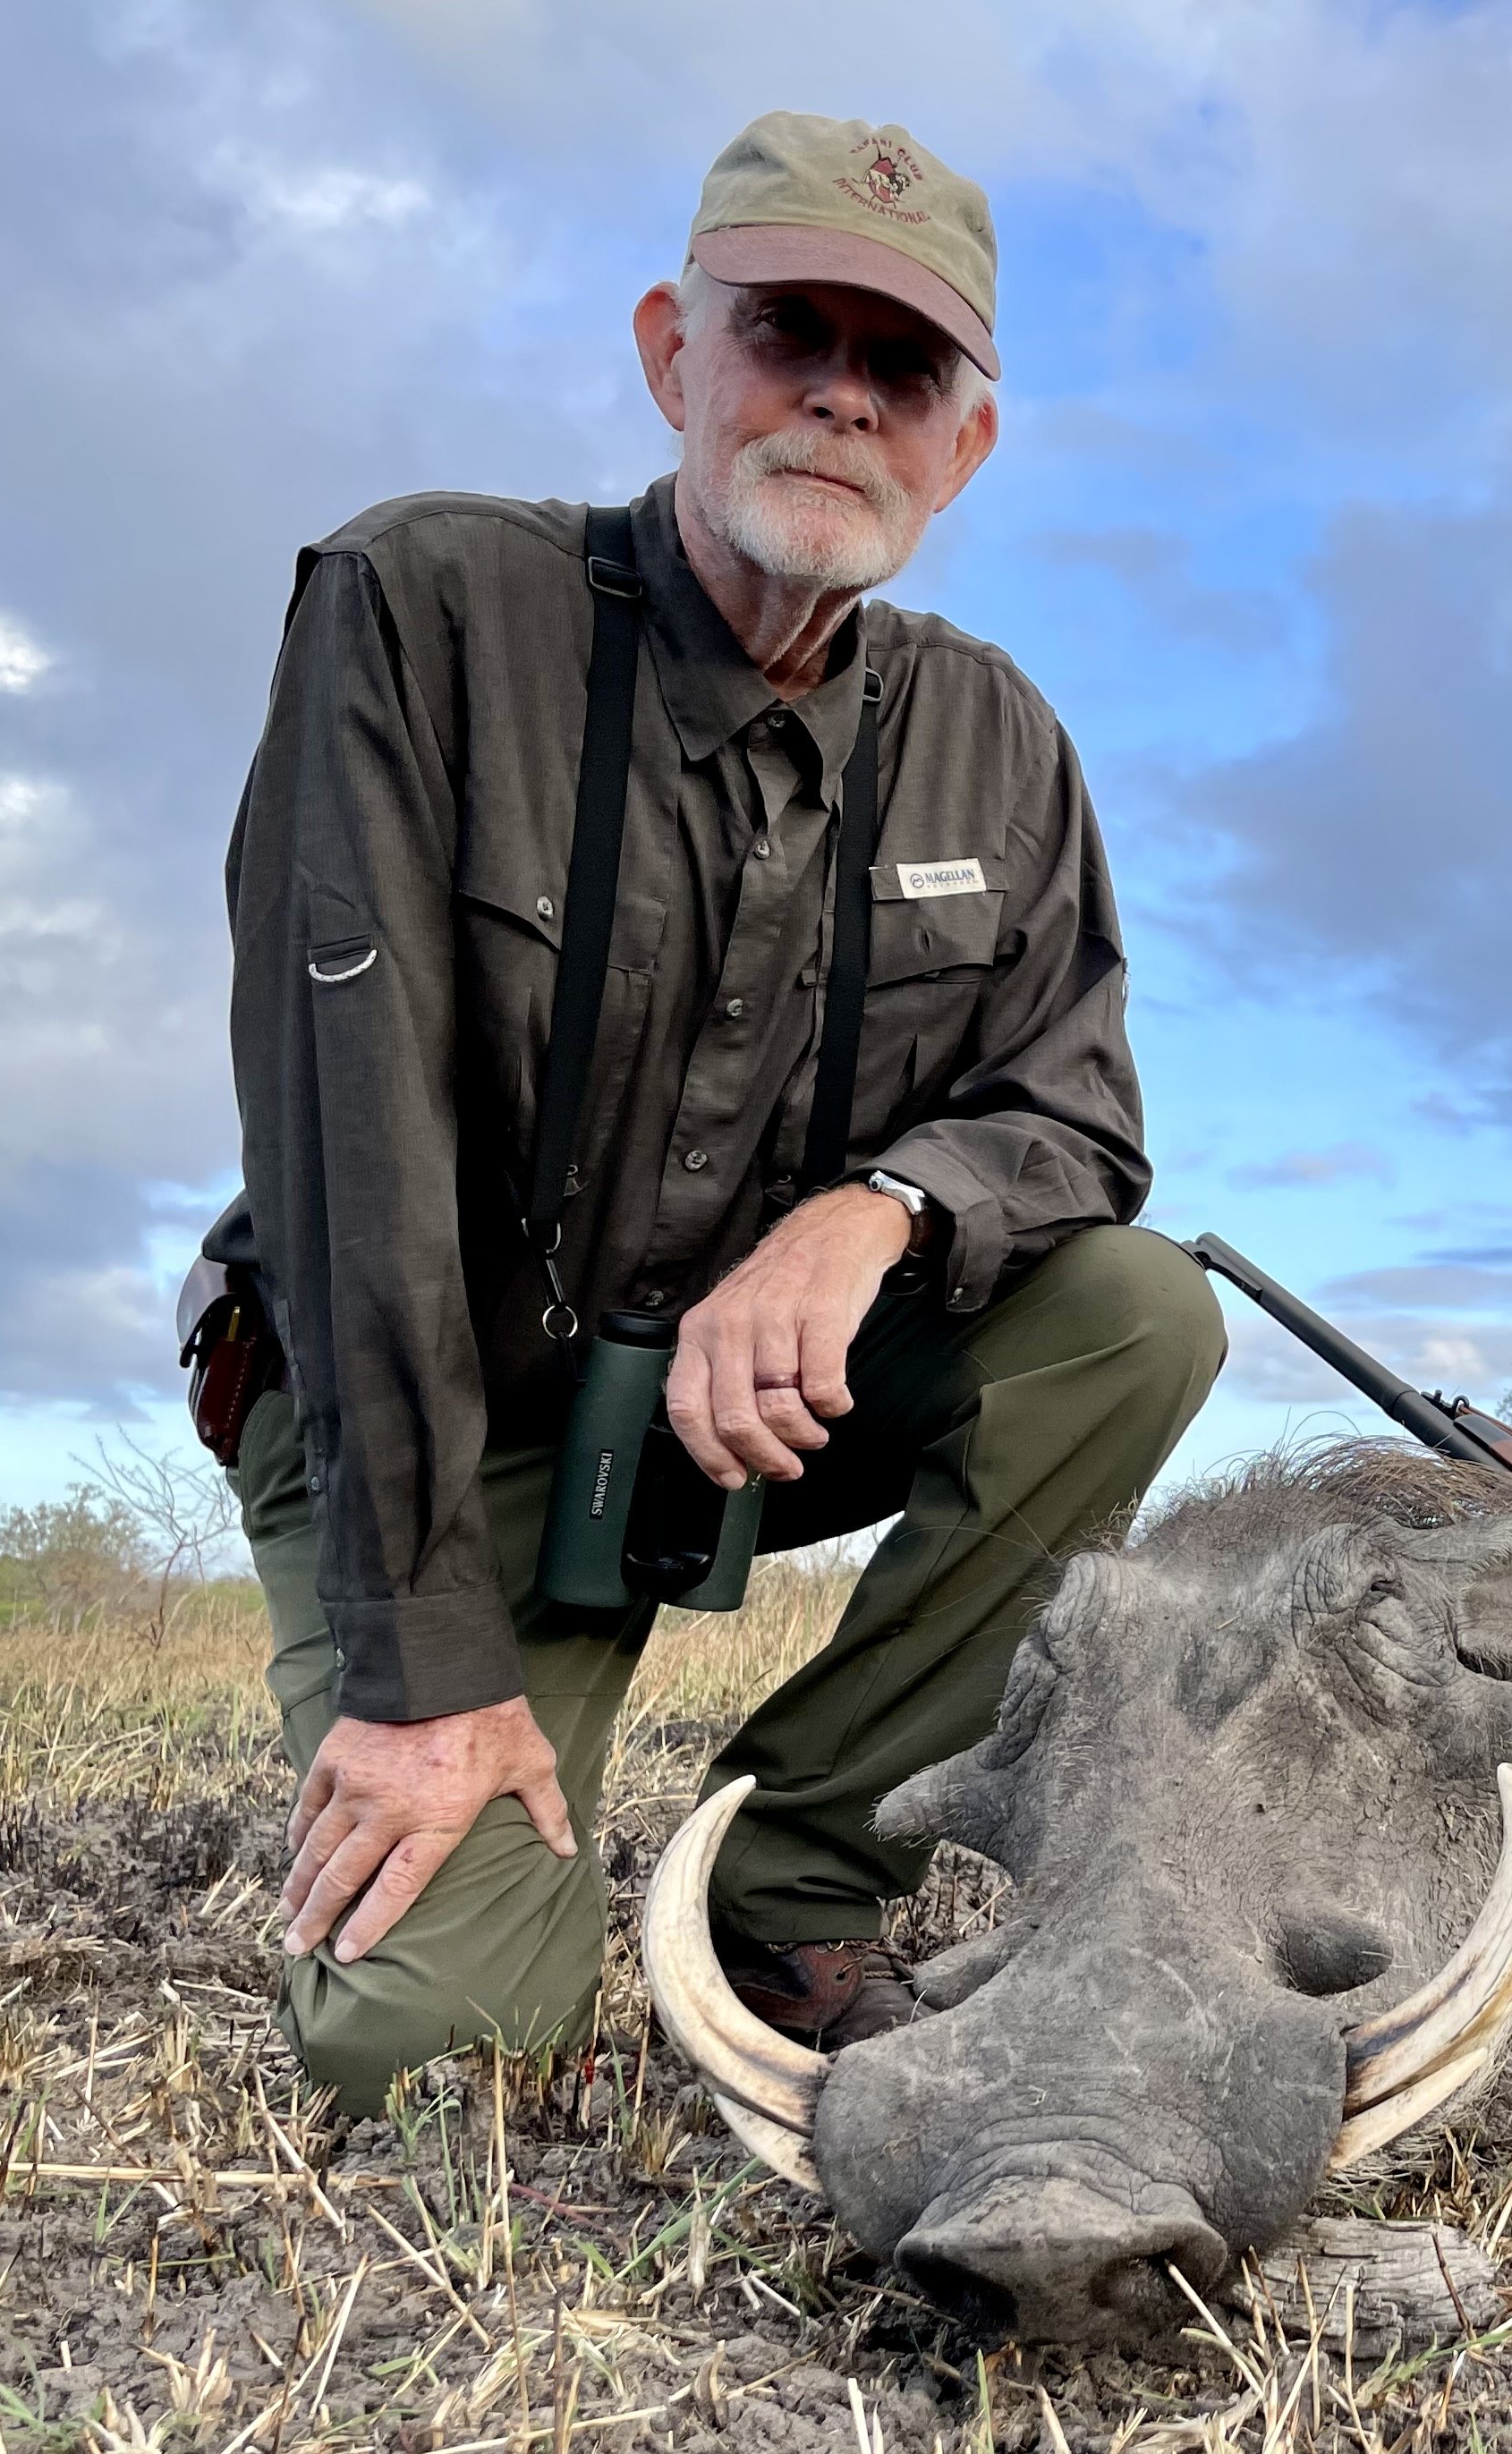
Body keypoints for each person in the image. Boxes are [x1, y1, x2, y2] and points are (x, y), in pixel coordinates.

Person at [208, 112, 1224, 2114]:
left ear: (965, 444)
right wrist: (425, 1669)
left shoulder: (997, 736)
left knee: (1136, 1311)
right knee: (435, 2045)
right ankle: (457, 1730)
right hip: (448, 1426)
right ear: (678, 352)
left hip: (730, 1422)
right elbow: (350, 1167)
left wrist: (877, 1214)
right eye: (790, 332)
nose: (843, 394)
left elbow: (1075, 1110)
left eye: (906, 364)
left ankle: (796, 1862)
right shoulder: (420, 605)